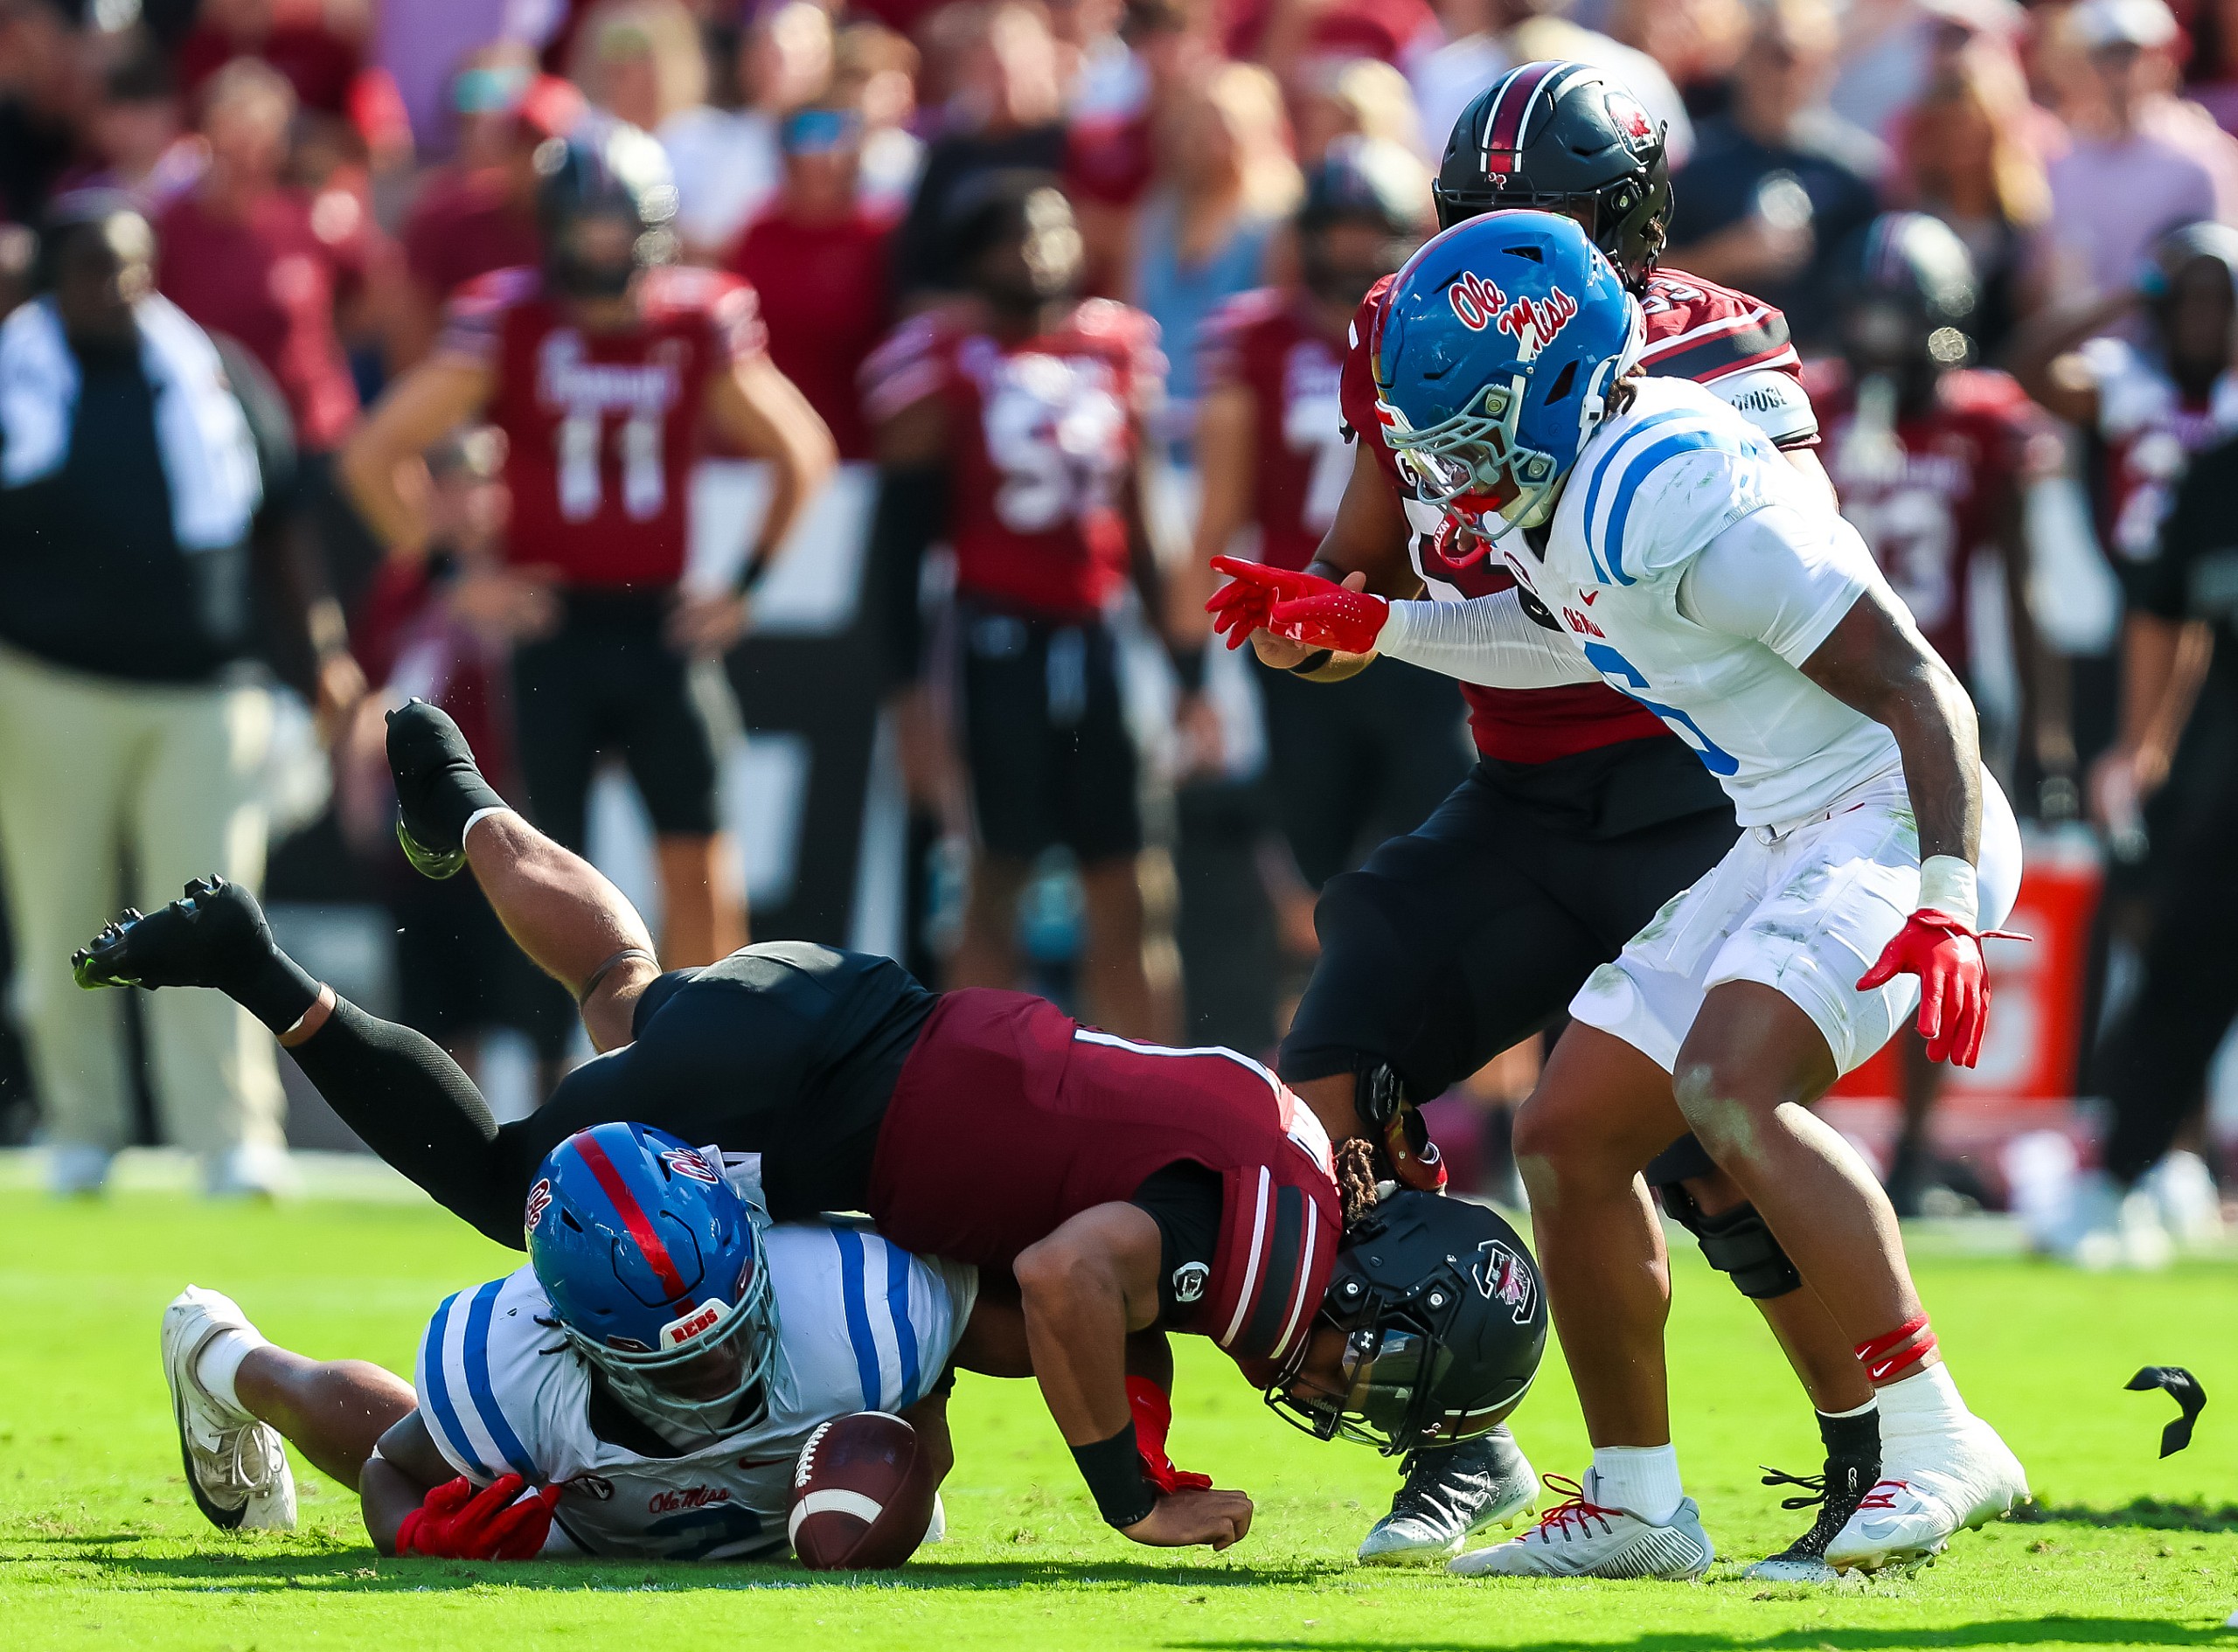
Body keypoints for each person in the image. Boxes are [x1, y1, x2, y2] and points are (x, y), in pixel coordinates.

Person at [76, 698, 1550, 1555]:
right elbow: (1063, 1279)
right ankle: (248, 961)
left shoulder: (1300, 1157)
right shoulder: (1271, 1250)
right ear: (1369, 1273)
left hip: (851, 1025)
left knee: (620, 983)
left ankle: (463, 805)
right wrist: (1128, 1496)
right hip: (823, 1103)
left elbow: (1103, 1252)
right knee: (506, 1184)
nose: (1354, 1382)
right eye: (1379, 1359)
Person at [1218, 207, 2028, 1579]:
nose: (1450, 475)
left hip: (1883, 810)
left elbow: (1914, 686)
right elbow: (1568, 635)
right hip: (1781, 822)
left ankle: (1936, 1433)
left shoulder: (1675, 469)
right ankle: (1639, 1501)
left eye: (1471, 428)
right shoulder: (1566, 480)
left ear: (1549, 378)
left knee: (1727, 1087)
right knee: (1571, 1130)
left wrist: (1948, 893)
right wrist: (1386, 625)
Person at [340, 125, 836, 968]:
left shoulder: (697, 317)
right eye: (588, 231)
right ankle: (567, 1070)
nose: (604, 253)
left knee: (702, 860)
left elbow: (803, 451)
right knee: (545, 863)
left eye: (619, 230)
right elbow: (372, 456)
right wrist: (457, 579)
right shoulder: (511, 318)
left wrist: (744, 584)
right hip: (553, 624)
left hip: (659, 624)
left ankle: (715, 1056)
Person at [157, 1121, 982, 1558]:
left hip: (788, 1492)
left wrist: (904, 1456)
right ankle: (220, 1355)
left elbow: (1012, 1336)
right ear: (574, 1335)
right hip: (582, 1522)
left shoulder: (857, 1306)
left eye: (727, 1332)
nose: (721, 1364)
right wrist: (415, 1536)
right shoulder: (518, 1363)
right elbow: (390, 1470)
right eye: (682, 1360)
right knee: (443, 1458)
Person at [0, 191, 357, 1197]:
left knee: (214, 918)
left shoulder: (216, 375)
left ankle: (233, 1136)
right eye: (93, 269)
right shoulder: (11, 382)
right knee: (62, 915)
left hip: (209, 692)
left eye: (133, 265)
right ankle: (82, 1126)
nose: (118, 287)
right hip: (46, 686)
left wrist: (323, 649)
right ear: (48, 283)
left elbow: (285, 521)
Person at [861, 174, 1188, 1039]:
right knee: (990, 883)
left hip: (1099, 636)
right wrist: (909, 706)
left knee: (1131, 884)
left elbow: (1144, 524)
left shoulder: (1115, 348)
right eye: (1014, 236)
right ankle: (975, 1085)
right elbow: (894, 550)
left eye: (1051, 231)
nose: (1038, 252)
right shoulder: (942, 359)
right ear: (973, 258)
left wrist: (1186, 669)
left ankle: (1158, 1092)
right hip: (989, 641)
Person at [1806, 212, 2056, 1213]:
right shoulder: (1808, 406)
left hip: (1935, 702)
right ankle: (1785, 1138)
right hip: (1812, 702)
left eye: (1901, 318)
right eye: (1870, 317)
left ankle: (1910, 1151)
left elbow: (2025, 588)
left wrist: (2046, 732)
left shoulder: (1985, 422)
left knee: (1936, 917)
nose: (1881, 340)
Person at [1188, 139, 1464, 894]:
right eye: (1335, 232)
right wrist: (1190, 670)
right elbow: (1218, 507)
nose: (1350, 251)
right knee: (1310, 887)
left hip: (1419, 618)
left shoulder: (1444, 331)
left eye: (1366, 232)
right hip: (1298, 624)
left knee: (1452, 873)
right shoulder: (1257, 338)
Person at [2069, 416, 2238, 1262]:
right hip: (2228, 784)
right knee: (2182, 976)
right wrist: (2143, 747)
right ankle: (2118, 1177)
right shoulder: (2215, 474)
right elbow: (2164, 609)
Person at [1664, 0, 1882, 349]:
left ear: (1828, 68)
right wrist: (1725, 257)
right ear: (1745, 58)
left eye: (1804, 60)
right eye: (1778, 55)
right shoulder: (1693, 166)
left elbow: (1877, 287)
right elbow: (1649, 277)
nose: (1788, 73)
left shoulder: (1853, 176)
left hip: (1821, 369)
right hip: (1719, 363)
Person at [1129, 60, 1300, 442]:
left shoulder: (1280, 219)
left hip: (1235, 427)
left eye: (1218, 125)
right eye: (1190, 125)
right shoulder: (1155, 214)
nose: (1199, 140)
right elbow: (1134, 313)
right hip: (1157, 423)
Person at [728, 106, 894, 462]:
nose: (823, 163)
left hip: (855, 456)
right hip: (763, 456)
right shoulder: (758, 233)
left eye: (835, 150)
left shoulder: (883, 235)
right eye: (808, 151)